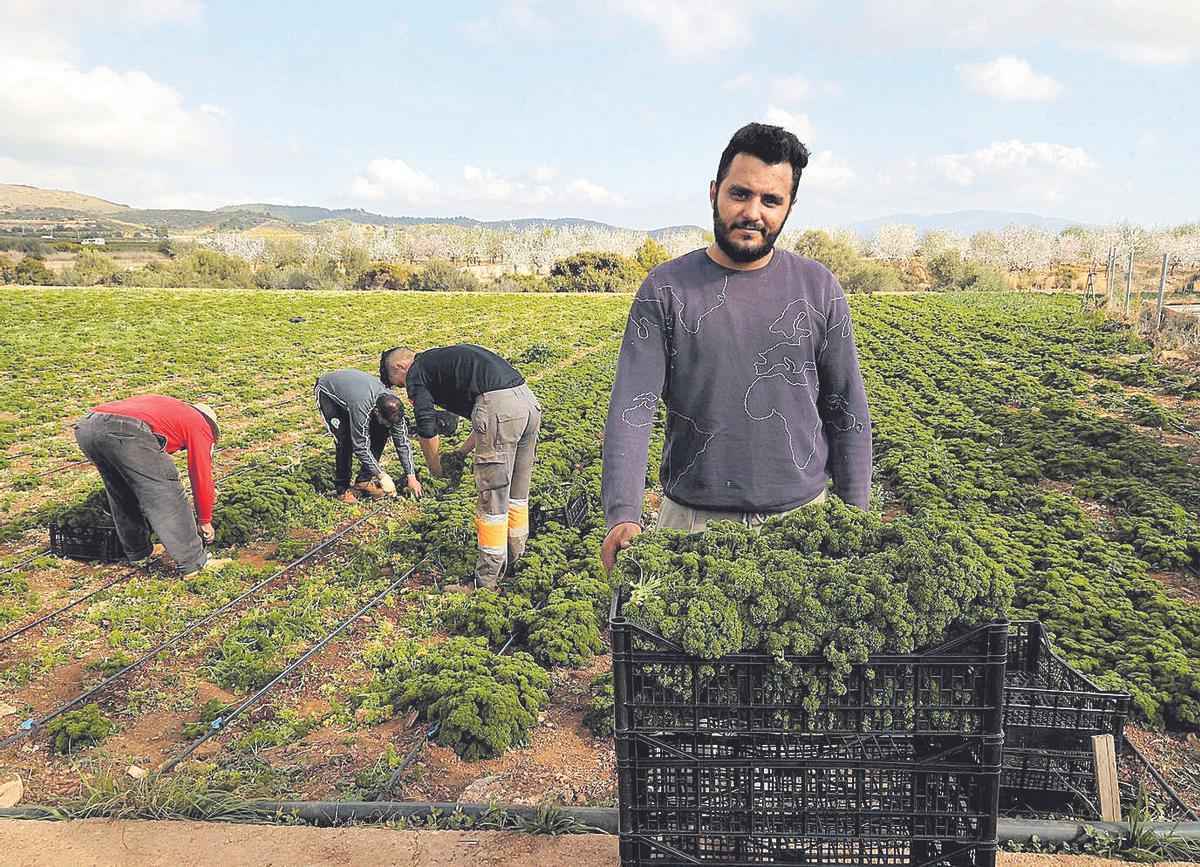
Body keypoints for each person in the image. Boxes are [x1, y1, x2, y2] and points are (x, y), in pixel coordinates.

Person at [600, 122, 873, 571]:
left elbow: (847, 411)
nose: (753, 212)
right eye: (740, 194)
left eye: (771, 201)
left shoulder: (819, 288)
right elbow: (632, 406)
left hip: (802, 525)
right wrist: (623, 513)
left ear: (789, 207)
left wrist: (855, 520)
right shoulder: (665, 289)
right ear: (714, 192)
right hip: (690, 529)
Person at [380, 344, 540, 589]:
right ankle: (516, 561)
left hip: (501, 410)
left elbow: (426, 421)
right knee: (517, 495)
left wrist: (435, 467)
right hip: (527, 403)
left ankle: (485, 582)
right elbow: (486, 415)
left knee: (493, 500)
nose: (404, 388)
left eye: (400, 384)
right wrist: (461, 452)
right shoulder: (445, 361)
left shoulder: (417, 371)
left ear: (401, 366)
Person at [74, 395, 226, 577]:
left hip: (87, 426)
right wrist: (205, 520)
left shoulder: (171, 409)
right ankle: (194, 564)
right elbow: (200, 474)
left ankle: (138, 552)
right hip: (126, 431)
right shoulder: (200, 425)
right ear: (209, 424)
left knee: (121, 491)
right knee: (166, 493)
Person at [314, 369, 421, 503]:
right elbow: (360, 447)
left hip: (356, 392)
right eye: (386, 422)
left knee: (382, 432)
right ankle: (342, 491)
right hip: (328, 392)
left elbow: (402, 443)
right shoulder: (362, 409)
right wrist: (382, 476)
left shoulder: (394, 409)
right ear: (376, 412)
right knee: (345, 440)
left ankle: (363, 482)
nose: (389, 425)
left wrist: (411, 476)